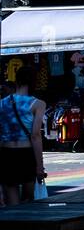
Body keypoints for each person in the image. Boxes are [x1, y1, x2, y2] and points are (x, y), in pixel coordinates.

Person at [1, 67, 47, 204]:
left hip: (6, 152)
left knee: (12, 200)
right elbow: (35, 135)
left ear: (16, 81)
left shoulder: (2, 103)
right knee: (28, 199)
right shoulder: (38, 104)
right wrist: (40, 166)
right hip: (26, 153)